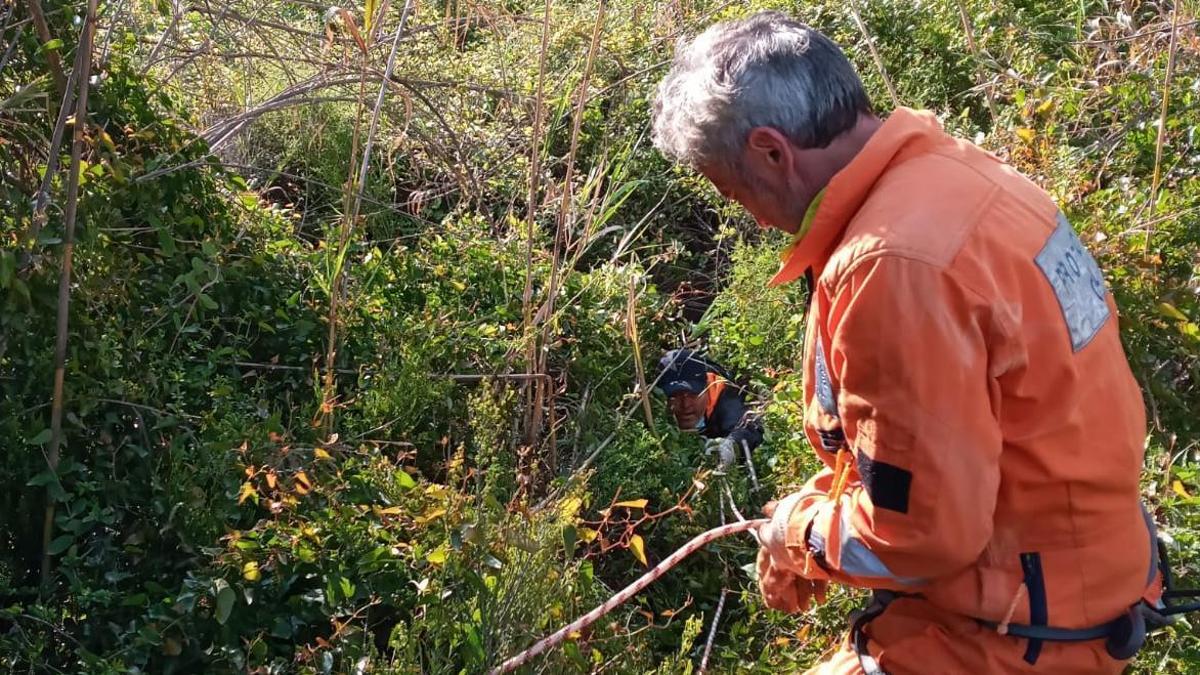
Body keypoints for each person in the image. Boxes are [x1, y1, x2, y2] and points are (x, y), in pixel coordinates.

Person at [651, 11, 1161, 674]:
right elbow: (930, 446)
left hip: (1013, 635)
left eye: (733, 187)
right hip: (1081, 586)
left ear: (772, 152)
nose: (750, 216)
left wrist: (797, 532)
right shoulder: (968, 182)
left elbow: (925, 534)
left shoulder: (891, 265)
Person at [655, 349, 763, 473]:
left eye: (693, 394)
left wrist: (731, 447)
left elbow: (751, 426)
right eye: (675, 395)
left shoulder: (724, 396)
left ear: (706, 387)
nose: (686, 405)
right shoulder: (652, 404)